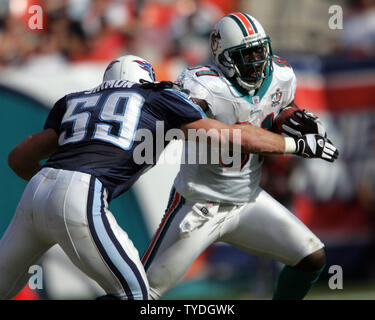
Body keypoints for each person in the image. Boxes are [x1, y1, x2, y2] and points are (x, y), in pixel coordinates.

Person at [1, 53, 333, 300]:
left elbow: (18, 158)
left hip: (35, 190)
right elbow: (237, 137)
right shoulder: (159, 97)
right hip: (81, 191)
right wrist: (297, 143)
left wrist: (51, 190)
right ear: (147, 76)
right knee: (138, 297)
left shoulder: (75, 100)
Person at [143, 12, 339, 300]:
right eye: (249, 55)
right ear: (224, 58)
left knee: (311, 256)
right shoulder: (205, 85)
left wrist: (294, 117)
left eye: (262, 51)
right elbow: (186, 113)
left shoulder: (280, 75)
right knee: (141, 293)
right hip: (199, 205)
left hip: (248, 199)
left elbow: (281, 109)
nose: (259, 62)